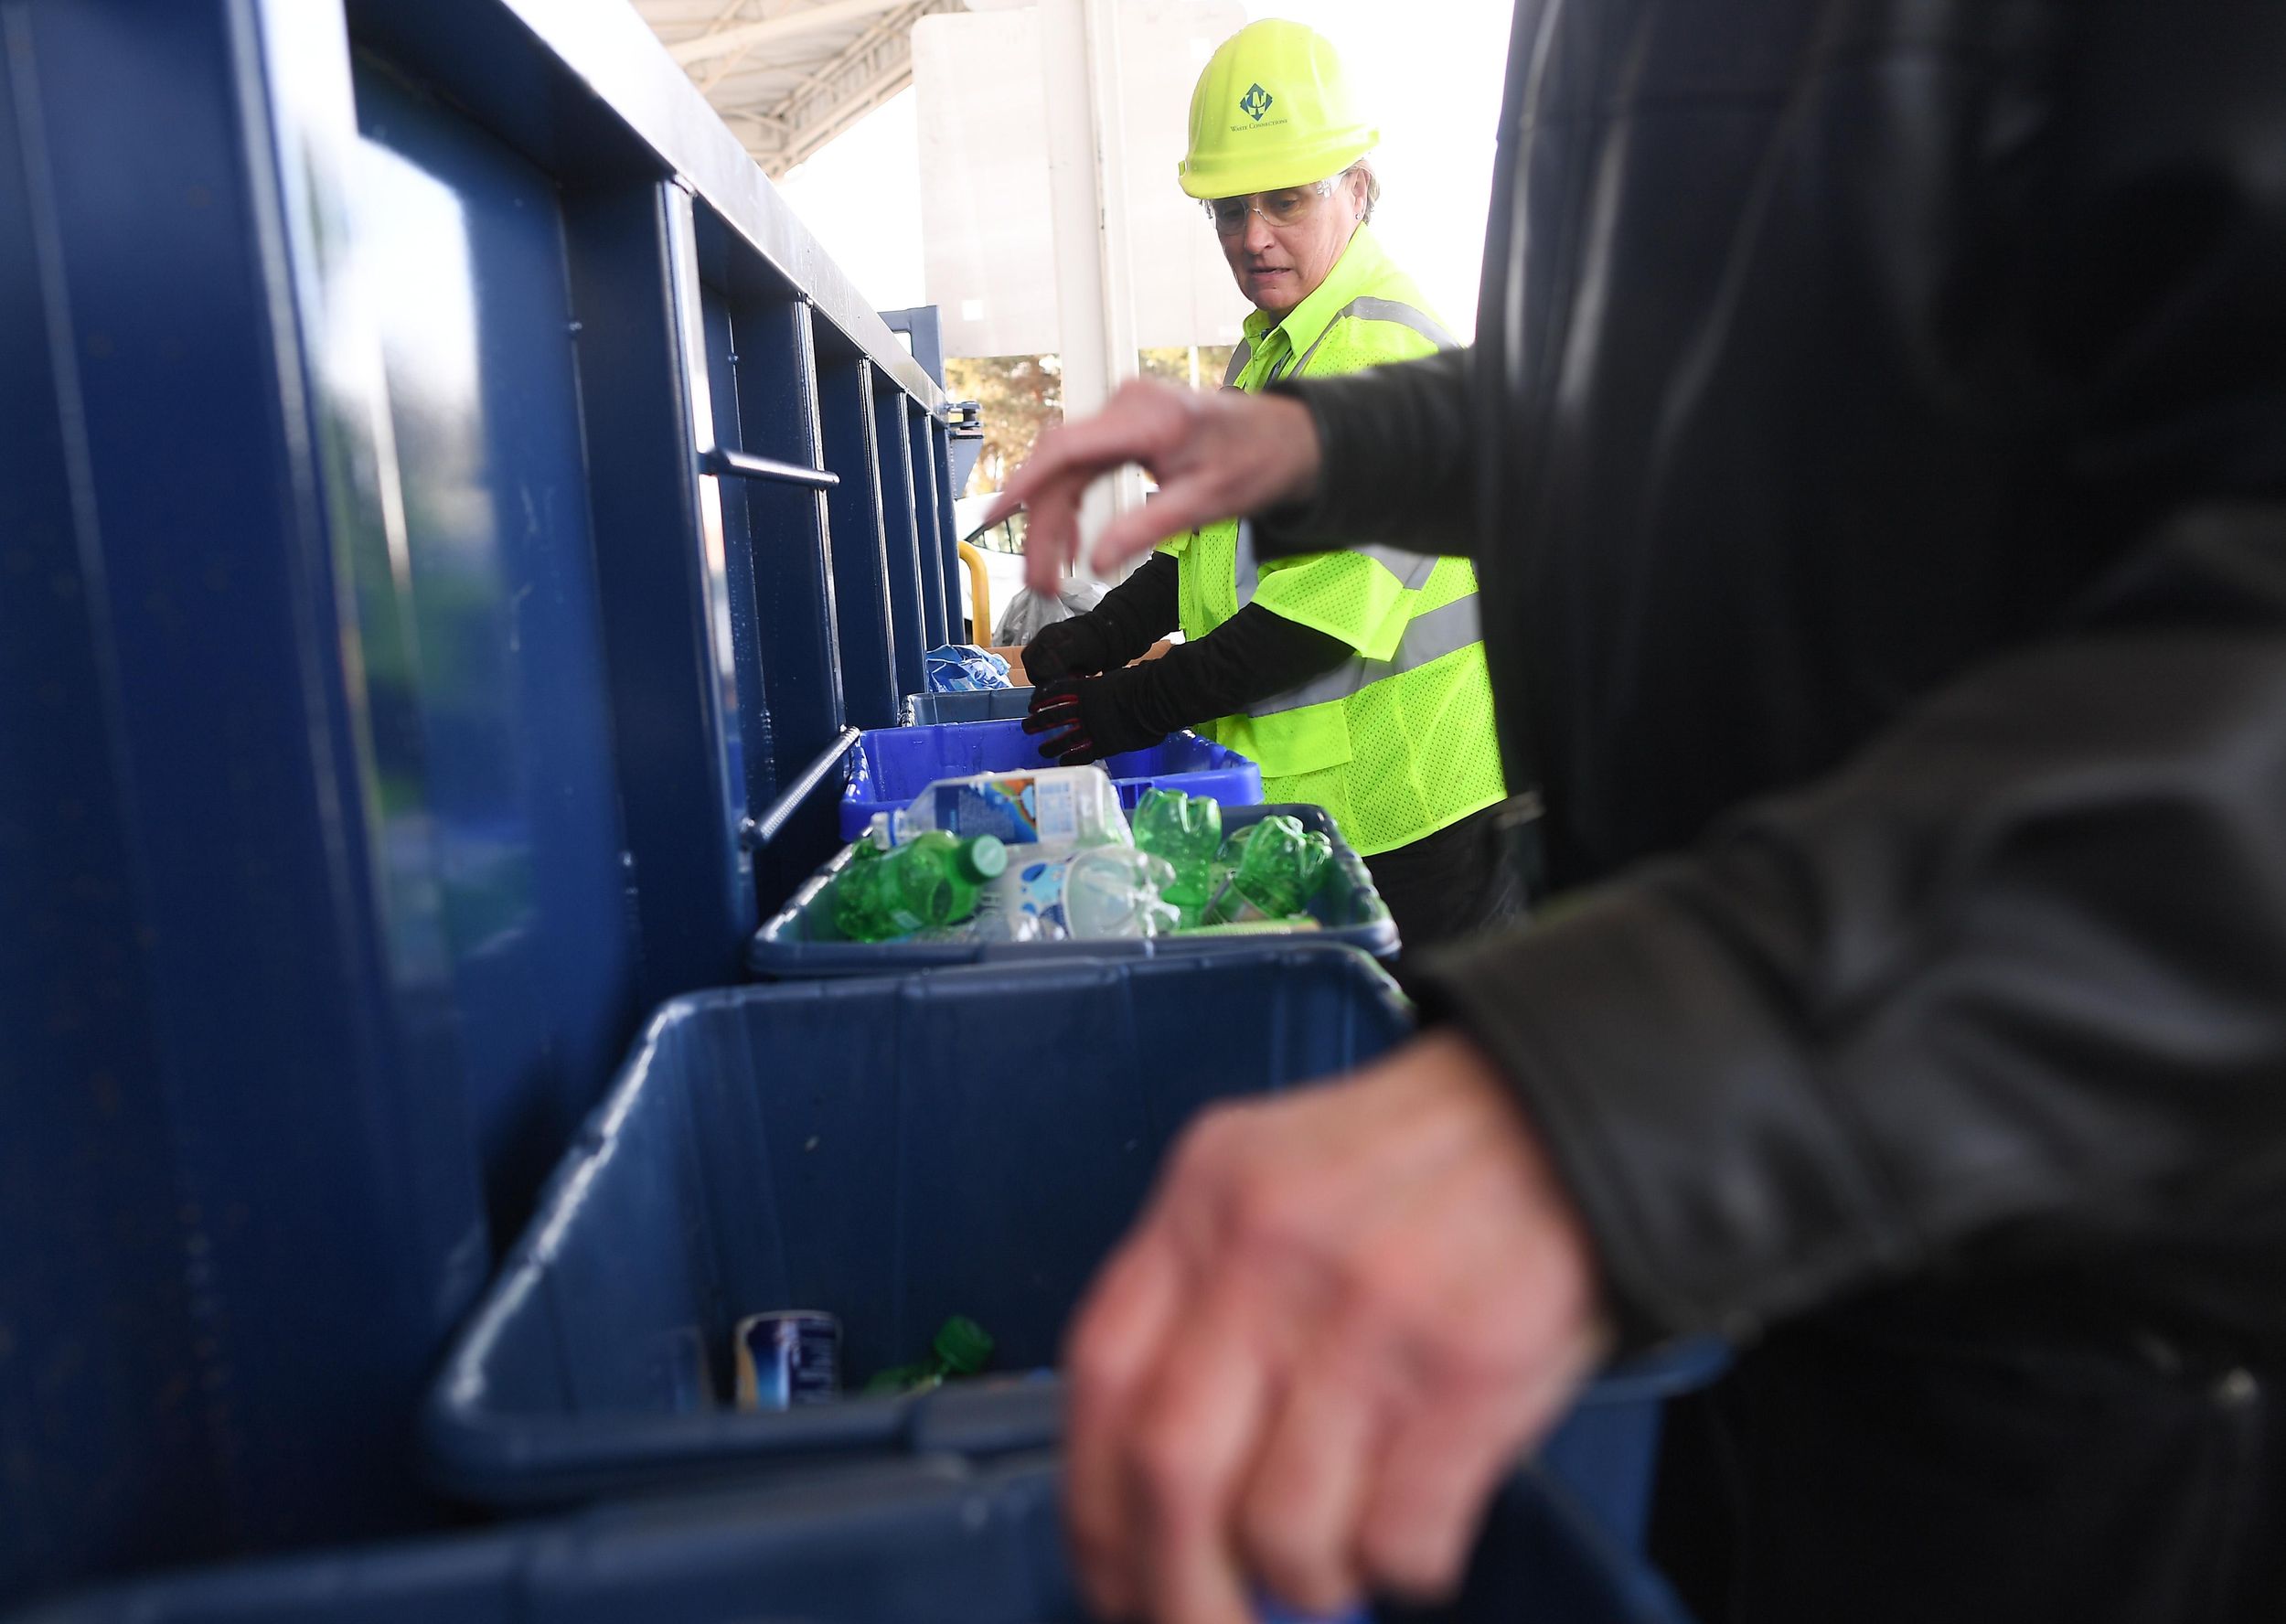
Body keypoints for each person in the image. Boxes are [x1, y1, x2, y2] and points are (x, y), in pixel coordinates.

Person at [984, 2, 2286, 1620]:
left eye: (1283, 199)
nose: (1256, 234)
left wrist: (1626, 1082)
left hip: (2060, 1291)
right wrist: (1330, 443)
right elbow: (1693, 405)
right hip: (1740, 1253)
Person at [1015, 19, 1519, 953]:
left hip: (1412, 820)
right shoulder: (1271, 355)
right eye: (1227, 210)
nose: (1253, 237)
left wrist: (1133, 704)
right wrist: (1105, 631)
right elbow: (1205, 547)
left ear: (1357, 191)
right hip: (1315, 808)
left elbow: (1310, 622)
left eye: (1285, 201)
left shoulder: (1378, 350)